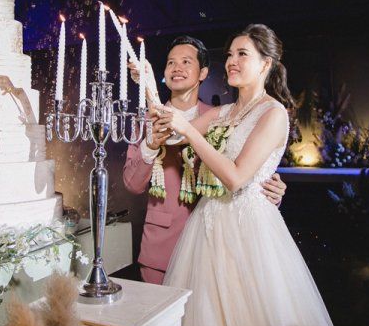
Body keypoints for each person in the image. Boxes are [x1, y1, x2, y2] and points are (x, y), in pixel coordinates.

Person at [155, 24, 336, 326]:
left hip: (249, 230)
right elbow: (172, 139)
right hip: (207, 227)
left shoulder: (273, 113)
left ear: (265, 64)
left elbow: (236, 177)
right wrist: (148, 84)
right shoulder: (222, 112)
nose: (231, 62)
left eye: (242, 54)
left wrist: (189, 133)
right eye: (229, 55)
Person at [122, 35, 288, 285]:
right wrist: (150, 139)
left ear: (203, 73)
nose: (177, 68)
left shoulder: (222, 117)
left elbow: (241, 168)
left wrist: (267, 185)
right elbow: (132, 184)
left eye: (186, 62)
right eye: (170, 63)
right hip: (161, 250)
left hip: (218, 247)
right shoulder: (145, 121)